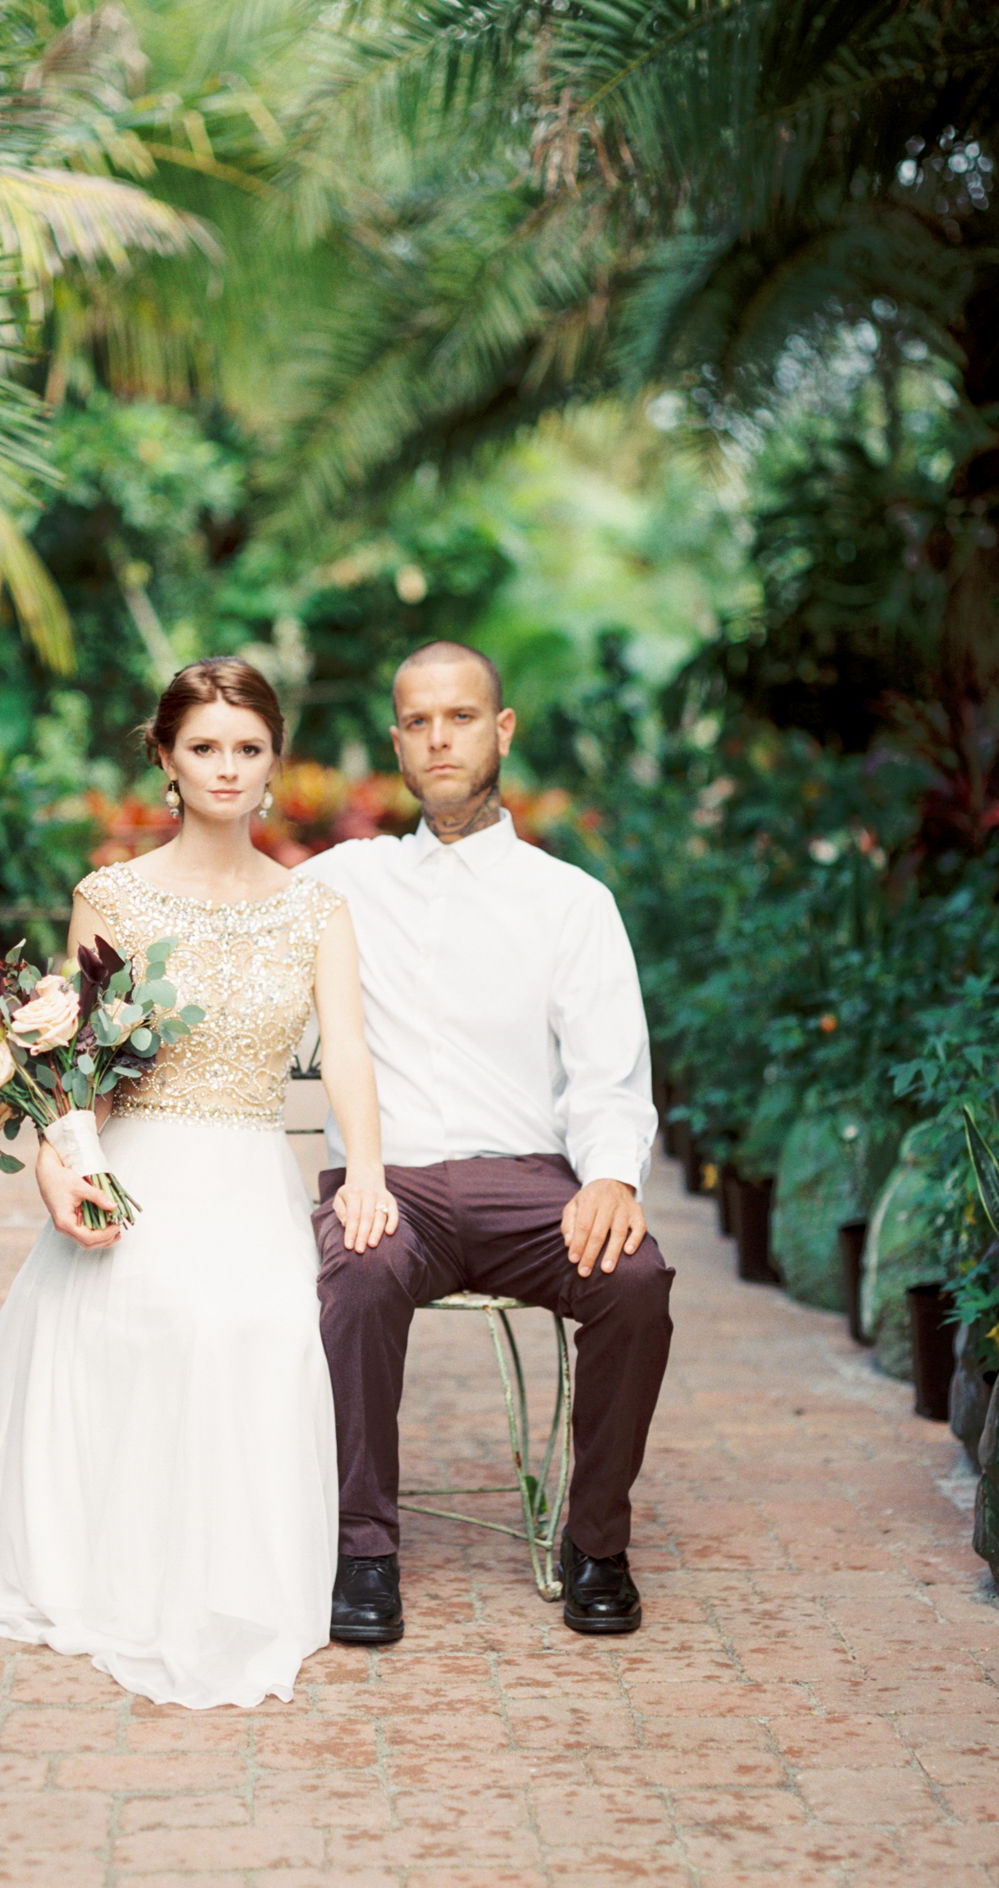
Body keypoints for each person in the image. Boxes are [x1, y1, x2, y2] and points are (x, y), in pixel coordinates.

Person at [0, 658, 396, 1709]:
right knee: (154, 1307)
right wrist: (53, 1160)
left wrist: (368, 1172)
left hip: (251, 1167)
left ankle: (237, 1578)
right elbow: (82, 1072)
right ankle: (113, 1564)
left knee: (255, 1324)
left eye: (246, 746)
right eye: (203, 745)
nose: (226, 766)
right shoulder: (110, 896)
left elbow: (345, 1051)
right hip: (143, 1161)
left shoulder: (318, 909)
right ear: (164, 759)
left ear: (272, 762)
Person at [295, 641, 674, 1645]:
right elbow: (231, 950)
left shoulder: (570, 902)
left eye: (459, 716)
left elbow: (609, 1073)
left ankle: (596, 1542)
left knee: (635, 1280)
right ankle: (362, 1549)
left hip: (528, 1190)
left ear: (500, 730)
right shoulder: (339, 883)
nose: (438, 738)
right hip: (392, 1185)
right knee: (358, 1276)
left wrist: (608, 1179)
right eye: (417, 721)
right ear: (395, 744)